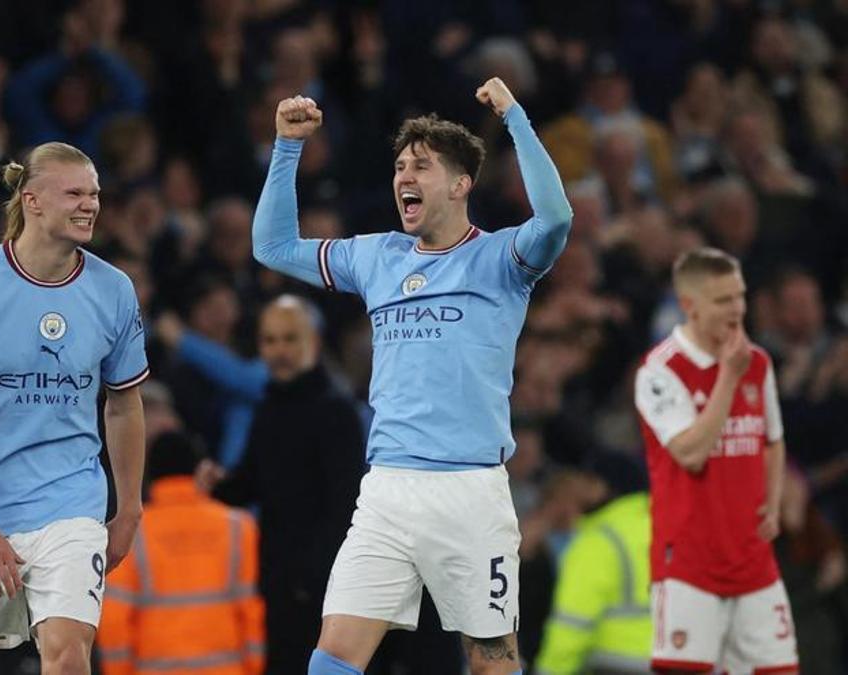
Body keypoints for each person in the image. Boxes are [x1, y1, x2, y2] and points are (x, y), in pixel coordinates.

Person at [253, 77, 572, 674]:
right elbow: (271, 247)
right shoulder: (377, 258)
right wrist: (287, 148)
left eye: (421, 167)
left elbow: (556, 216)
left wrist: (514, 118)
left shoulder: (502, 259)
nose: (404, 177)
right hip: (387, 493)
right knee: (332, 658)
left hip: (470, 494)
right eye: (400, 166)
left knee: (491, 663)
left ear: (459, 185)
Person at [0, 141, 147, 674]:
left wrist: (129, 506)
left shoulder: (113, 289)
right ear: (33, 200)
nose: (90, 204)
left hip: (69, 504)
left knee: (67, 655)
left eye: (95, 194)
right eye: (74, 193)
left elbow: (123, 405)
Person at [634, 247, 798, 673]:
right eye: (723, 300)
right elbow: (691, 452)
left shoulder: (757, 364)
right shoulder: (660, 371)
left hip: (752, 559)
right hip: (689, 564)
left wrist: (773, 502)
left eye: (740, 296)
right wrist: (727, 377)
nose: (737, 309)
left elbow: (772, 440)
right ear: (689, 305)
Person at [199, 295, 366, 675]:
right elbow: (251, 484)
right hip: (274, 585)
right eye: (270, 340)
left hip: (322, 591)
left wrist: (312, 579)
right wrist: (216, 485)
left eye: (290, 339)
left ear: (315, 342)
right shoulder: (269, 408)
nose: (279, 350)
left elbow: (346, 509)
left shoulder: (336, 412)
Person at [96, 430, 265, 675]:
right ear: (197, 470)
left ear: (150, 474)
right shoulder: (239, 527)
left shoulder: (132, 535)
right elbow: (251, 610)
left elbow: (114, 620)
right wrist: (254, 666)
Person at [534, 491, 652, 674]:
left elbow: (572, 624)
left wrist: (549, 670)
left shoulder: (598, 540)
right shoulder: (666, 527)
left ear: (601, 485)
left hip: (613, 664)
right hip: (676, 662)